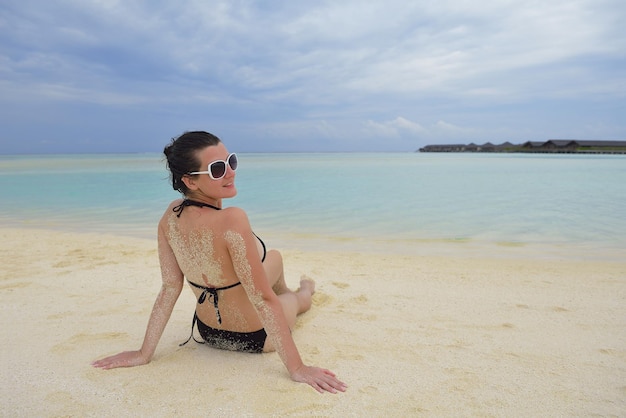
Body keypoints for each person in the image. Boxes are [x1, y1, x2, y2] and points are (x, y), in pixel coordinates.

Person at [92, 131, 346, 394]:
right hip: (256, 337)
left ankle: (291, 290)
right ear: (190, 181)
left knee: (275, 258)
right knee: (293, 300)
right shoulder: (232, 219)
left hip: (209, 332)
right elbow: (262, 299)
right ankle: (305, 291)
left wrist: (144, 353)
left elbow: (170, 288)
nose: (230, 173)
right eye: (217, 169)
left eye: (231, 162)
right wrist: (297, 368)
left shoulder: (170, 216)